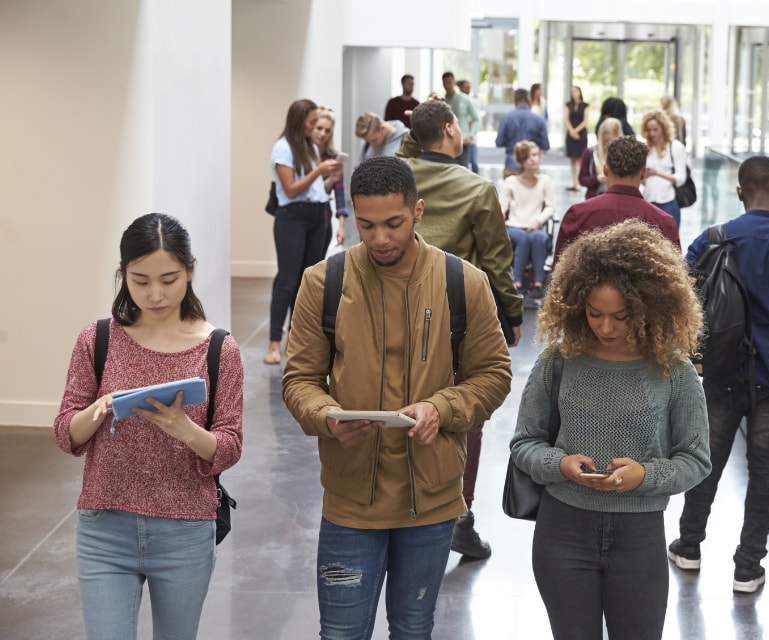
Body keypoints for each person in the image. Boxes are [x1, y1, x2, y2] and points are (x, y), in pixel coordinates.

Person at [282, 156, 512, 638]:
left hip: (430, 502)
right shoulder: (323, 282)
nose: (380, 238)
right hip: (349, 501)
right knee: (341, 632)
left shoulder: (463, 282)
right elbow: (299, 379)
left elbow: (493, 375)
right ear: (351, 215)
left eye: (394, 223)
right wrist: (326, 416)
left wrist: (441, 407)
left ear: (418, 211)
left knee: (412, 628)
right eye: (366, 225)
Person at [510, 219, 712, 640]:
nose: (605, 327)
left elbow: (695, 459)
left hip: (640, 537)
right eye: (594, 313)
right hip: (562, 531)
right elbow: (524, 443)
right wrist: (560, 463)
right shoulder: (558, 362)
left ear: (648, 307)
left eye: (620, 316)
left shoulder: (673, 370)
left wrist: (646, 475)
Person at [54, 212, 244, 640]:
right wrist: (101, 408)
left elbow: (230, 446)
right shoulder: (96, 339)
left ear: (191, 270)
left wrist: (185, 429)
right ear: (124, 276)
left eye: (169, 279)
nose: (156, 294)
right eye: (140, 281)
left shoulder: (219, 349)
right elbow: (66, 432)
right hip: (105, 529)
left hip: (186, 531)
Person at [670, 155, 769, 594]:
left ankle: (688, 546)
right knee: (764, 470)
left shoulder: (713, 239)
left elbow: (684, 306)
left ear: (740, 191)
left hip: (721, 371)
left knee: (707, 459)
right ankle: (747, 567)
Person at [401, 99, 525, 558]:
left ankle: (404, 509)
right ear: (451, 129)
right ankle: (458, 515)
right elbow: (496, 262)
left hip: (393, 310)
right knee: (462, 414)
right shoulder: (476, 188)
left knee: (397, 405)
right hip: (456, 318)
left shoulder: (397, 177)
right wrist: (511, 315)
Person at [266, 99, 344, 365]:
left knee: (306, 282)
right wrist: (320, 169)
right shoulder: (283, 148)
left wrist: (331, 176)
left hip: (316, 216)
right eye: (312, 122)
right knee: (287, 282)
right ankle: (274, 344)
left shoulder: (309, 147)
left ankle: (295, 340)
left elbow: (316, 190)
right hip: (293, 218)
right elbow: (291, 189)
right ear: (299, 122)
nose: (315, 127)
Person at [556, 135, 680, 268]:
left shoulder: (578, 215)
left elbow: (558, 274)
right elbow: (676, 277)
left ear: (605, 169)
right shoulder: (664, 223)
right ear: (643, 174)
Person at [502, 140, 555, 293]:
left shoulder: (545, 181)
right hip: (514, 226)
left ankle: (538, 283)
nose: (534, 159)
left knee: (537, 237)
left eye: (535, 155)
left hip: (534, 225)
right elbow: (502, 206)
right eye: (529, 156)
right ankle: (517, 281)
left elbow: (550, 207)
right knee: (526, 238)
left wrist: (538, 221)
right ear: (521, 161)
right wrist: (500, 213)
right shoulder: (511, 182)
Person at [640, 109, 688, 229]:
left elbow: (681, 178)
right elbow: (642, 179)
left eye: (655, 129)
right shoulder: (645, 148)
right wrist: (644, 177)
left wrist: (657, 173)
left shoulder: (675, 147)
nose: (652, 133)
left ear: (663, 128)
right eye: (649, 130)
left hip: (669, 202)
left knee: (670, 244)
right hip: (648, 201)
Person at [314, 106, 349, 249]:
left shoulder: (333, 158)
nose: (323, 134)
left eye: (327, 130)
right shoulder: (302, 156)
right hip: (302, 217)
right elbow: (308, 191)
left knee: (315, 267)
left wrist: (341, 227)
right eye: (319, 128)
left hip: (324, 217)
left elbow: (340, 196)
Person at [497, 88, 550, 179]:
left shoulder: (506, 118)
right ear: (529, 101)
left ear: (515, 101)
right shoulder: (539, 120)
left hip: (512, 164)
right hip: (532, 167)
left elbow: (499, 142)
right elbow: (545, 145)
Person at [578, 117, 624, 200]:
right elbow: (582, 179)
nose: (608, 144)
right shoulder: (590, 153)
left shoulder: (624, 155)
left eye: (611, 141)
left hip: (617, 199)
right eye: (605, 141)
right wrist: (596, 179)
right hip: (594, 198)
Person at [442, 71, 480, 169]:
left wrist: (471, 135)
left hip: (463, 142)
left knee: (463, 170)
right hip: (448, 143)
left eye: (449, 82)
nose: (447, 85)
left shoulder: (464, 99)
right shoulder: (443, 101)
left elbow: (476, 119)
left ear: (454, 82)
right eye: (445, 83)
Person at [564, 86, 590, 190]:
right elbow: (566, 119)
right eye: (572, 92)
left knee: (580, 158)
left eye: (576, 91)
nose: (574, 93)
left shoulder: (585, 106)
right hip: (570, 134)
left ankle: (579, 182)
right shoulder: (568, 105)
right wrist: (571, 131)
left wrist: (575, 131)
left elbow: (585, 121)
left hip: (581, 134)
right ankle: (574, 182)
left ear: (580, 92)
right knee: (572, 159)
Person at [459, 79, 481, 174]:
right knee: (463, 166)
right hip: (461, 139)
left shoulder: (473, 102)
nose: (468, 89)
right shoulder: (458, 102)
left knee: (474, 163)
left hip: (470, 139)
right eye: (466, 87)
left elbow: (476, 119)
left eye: (469, 88)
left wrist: (471, 134)